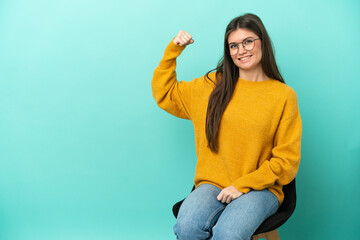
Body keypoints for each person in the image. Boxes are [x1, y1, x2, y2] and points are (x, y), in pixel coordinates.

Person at [151, 13, 302, 240]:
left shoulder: (283, 96)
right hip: (212, 183)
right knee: (187, 227)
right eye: (233, 45)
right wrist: (173, 50)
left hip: (261, 188)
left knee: (228, 234)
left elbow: (287, 161)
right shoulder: (212, 86)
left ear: (263, 42)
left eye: (248, 41)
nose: (241, 50)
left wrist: (243, 185)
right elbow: (166, 93)